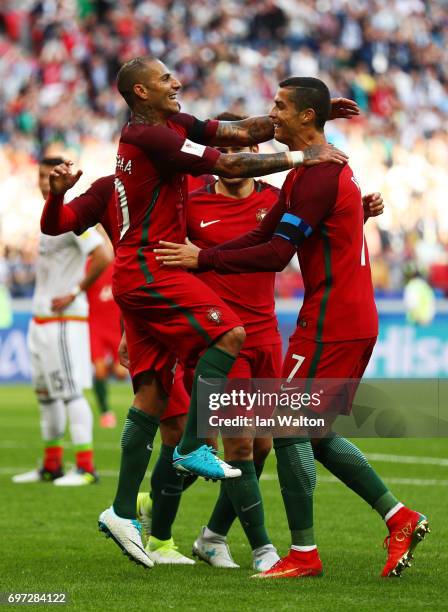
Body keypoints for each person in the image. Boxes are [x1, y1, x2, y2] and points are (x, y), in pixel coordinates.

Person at [40, 57, 354, 567]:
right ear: (141, 92)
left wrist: (310, 120)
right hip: (152, 275)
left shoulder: (171, 130)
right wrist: (304, 156)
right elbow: (227, 161)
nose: (178, 82)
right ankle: (198, 482)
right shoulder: (152, 147)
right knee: (226, 340)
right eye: (166, 79)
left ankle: (125, 511)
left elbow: (236, 134)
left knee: (154, 396)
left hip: (163, 287)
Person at [154, 77, 429, 579]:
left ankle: (303, 553)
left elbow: (278, 254)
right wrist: (203, 261)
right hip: (337, 317)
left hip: (333, 323)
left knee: (282, 427)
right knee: (314, 434)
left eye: (280, 106)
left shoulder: (320, 175)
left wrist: (204, 256)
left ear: (307, 117)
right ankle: (400, 517)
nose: (271, 114)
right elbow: (261, 234)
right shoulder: (308, 172)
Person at [13, 156, 112, 486]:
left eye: (49, 176)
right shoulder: (49, 219)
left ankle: (86, 467)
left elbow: (104, 253)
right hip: (40, 321)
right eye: (41, 175)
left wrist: (75, 291)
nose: (44, 181)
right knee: (46, 395)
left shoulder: (73, 219)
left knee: (71, 393)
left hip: (64, 321)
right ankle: (52, 464)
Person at [87, 256, 127, 429]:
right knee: (100, 370)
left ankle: (107, 366)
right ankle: (105, 412)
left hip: (115, 326)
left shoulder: (120, 263)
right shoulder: (90, 264)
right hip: (95, 325)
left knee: (121, 373)